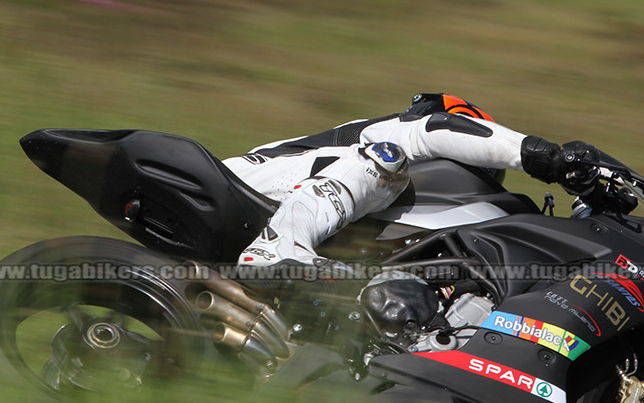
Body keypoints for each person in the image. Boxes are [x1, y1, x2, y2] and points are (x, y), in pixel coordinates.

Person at [221, 92, 601, 274]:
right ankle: (280, 248)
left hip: (260, 200)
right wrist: (540, 155)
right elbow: (434, 132)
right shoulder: (391, 130)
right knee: (386, 159)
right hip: (243, 187)